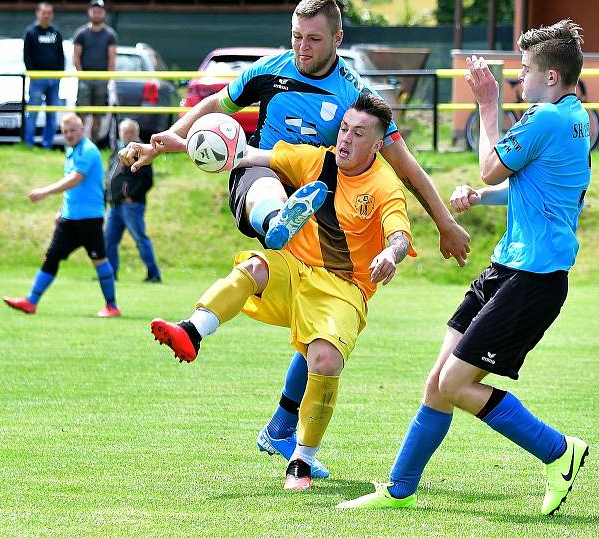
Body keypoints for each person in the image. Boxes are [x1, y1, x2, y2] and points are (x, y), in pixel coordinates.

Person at [123, 0, 469, 479]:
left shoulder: (354, 98)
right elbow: (211, 104)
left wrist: (446, 222)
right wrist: (165, 143)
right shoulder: (270, 70)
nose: (303, 48)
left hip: (320, 203)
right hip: (260, 173)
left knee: (321, 320)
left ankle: (283, 428)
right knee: (270, 202)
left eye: (314, 39)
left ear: (337, 39)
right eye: (296, 38)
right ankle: (274, 223)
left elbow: (404, 165)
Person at [337, 20, 592, 516]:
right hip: (511, 265)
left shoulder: (546, 117)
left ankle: (560, 452)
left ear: (553, 78)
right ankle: (399, 489)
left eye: (526, 71)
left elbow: (491, 165)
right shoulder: (574, 116)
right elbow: (542, 190)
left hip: (533, 278)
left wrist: (487, 103)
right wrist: (488, 197)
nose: (520, 80)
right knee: (438, 380)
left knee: (456, 384)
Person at [125, 93, 415, 491]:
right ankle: (191, 331)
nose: (345, 139)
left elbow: (400, 233)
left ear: (377, 145)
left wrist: (391, 252)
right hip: (295, 268)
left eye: (358, 133)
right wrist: (183, 142)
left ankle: (302, 459)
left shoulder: (385, 185)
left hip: (344, 287)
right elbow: (245, 154)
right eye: (344, 128)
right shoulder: (318, 159)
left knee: (325, 359)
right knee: (254, 266)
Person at [3, 114, 121, 318]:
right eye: (65, 132)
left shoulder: (88, 150)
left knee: (99, 260)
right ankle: (31, 301)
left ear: (82, 129)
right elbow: (73, 188)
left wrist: (45, 192)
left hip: (89, 219)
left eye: (72, 130)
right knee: (51, 257)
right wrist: (61, 208)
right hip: (69, 218)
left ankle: (112, 306)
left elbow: (75, 179)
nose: (69, 135)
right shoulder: (71, 150)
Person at [104, 118, 161, 283]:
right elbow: (111, 175)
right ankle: (110, 274)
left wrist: (131, 196)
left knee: (140, 239)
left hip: (131, 205)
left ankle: (153, 273)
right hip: (115, 205)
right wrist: (108, 195)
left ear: (136, 133)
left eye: (130, 132)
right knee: (109, 240)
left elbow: (147, 180)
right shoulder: (118, 149)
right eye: (124, 132)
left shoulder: (141, 151)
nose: (127, 135)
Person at [72, 0, 117, 146]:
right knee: (82, 114)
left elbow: (111, 58)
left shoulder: (110, 34)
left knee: (98, 115)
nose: (96, 14)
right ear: (89, 12)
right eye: (94, 11)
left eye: (99, 11)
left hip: (101, 80)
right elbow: (76, 56)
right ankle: (78, 143)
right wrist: (82, 75)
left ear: (103, 13)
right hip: (85, 79)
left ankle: (94, 144)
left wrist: (108, 78)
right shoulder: (81, 33)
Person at [23, 1, 64, 149]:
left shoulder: (56, 32)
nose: (46, 15)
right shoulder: (31, 32)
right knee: (33, 112)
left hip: (54, 79)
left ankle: (48, 144)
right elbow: (27, 55)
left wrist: (60, 74)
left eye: (49, 13)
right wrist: (33, 74)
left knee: (52, 114)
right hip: (37, 79)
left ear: (52, 15)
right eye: (43, 12)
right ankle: (28, 143)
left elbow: (61, 55)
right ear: (38, 13)